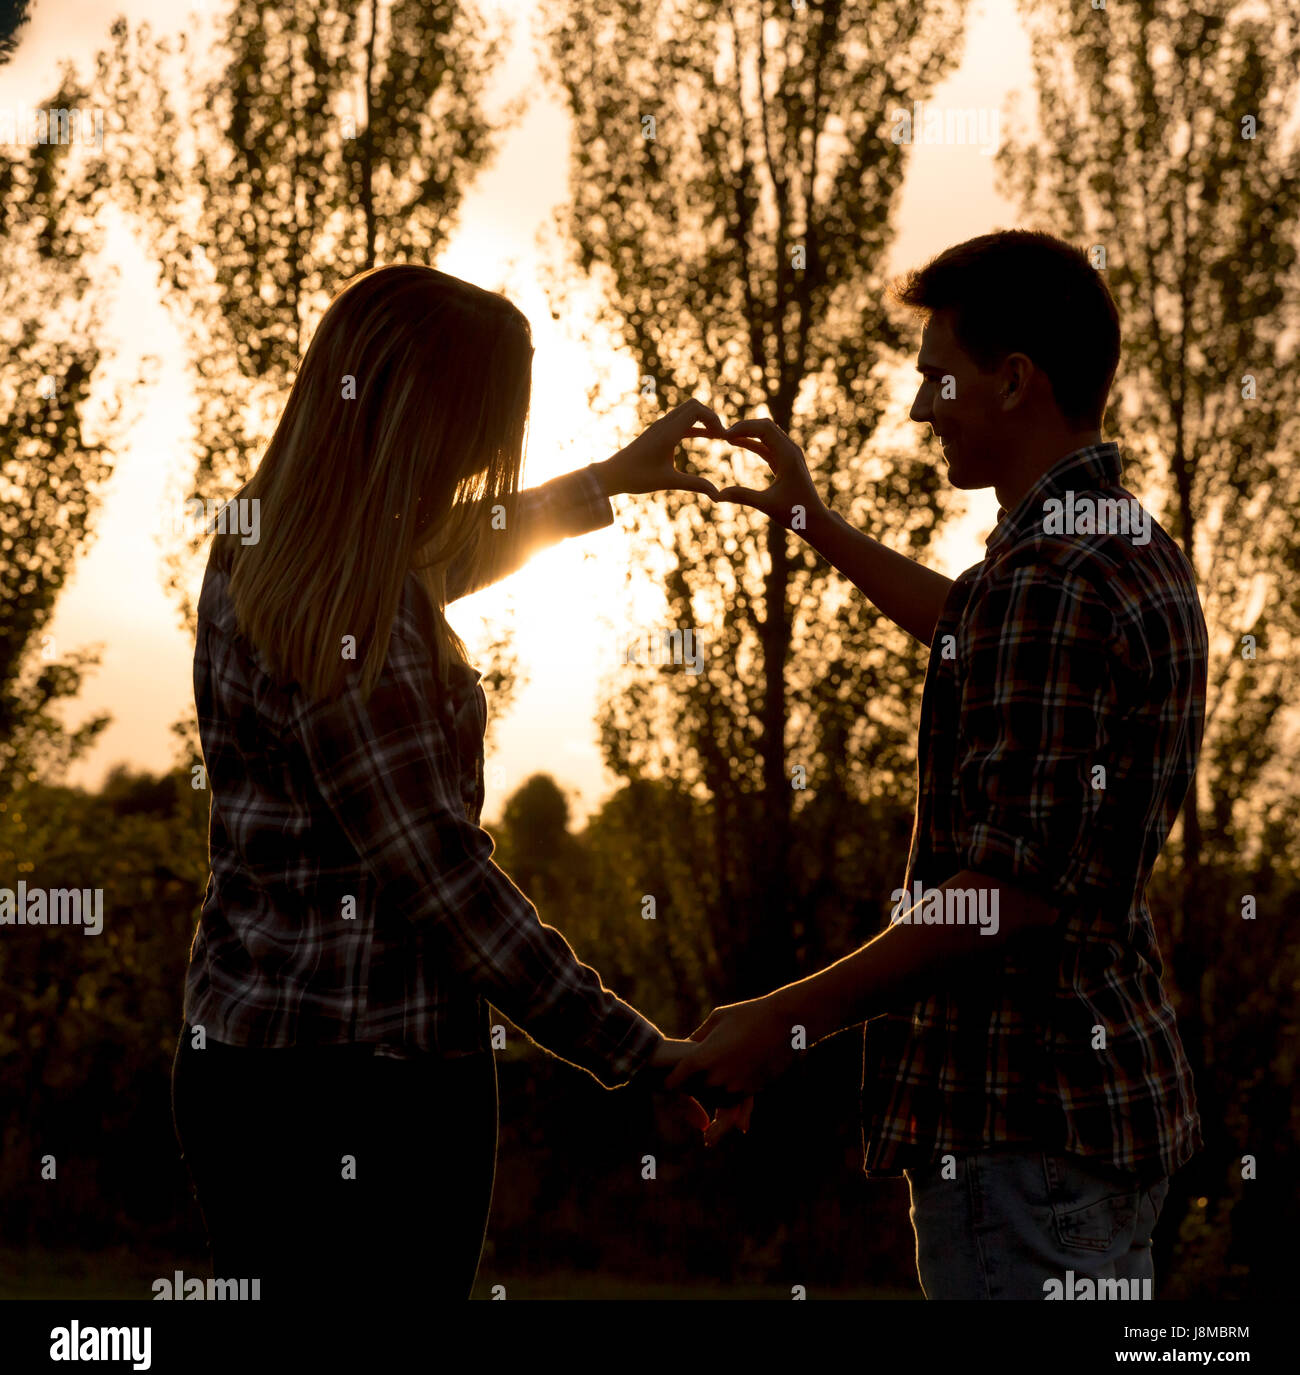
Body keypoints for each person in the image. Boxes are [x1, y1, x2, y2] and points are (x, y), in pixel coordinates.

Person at [171, 263, 734, 1302]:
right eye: (481, 433)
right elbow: (447, 891)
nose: (484, 463)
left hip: (246, 1064)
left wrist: (609, 479)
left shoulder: (260, 552)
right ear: (431, 426)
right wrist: (639, 1051)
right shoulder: (362, 625)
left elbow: (452, 548)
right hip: (378, 1090)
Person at [668, 230, 1206, 1300]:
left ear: (1014, 381)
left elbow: (1008, 893)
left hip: (1018, 1119)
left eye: (936, 378)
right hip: (1100, 1107)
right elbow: (973, 626)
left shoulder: (1047, 576)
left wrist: (786, 1019)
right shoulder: (1114, 545)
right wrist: (809, 522)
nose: (920, 410)